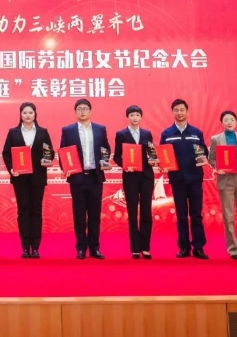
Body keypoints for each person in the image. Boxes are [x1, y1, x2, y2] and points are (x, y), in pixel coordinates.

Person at [60, 98, 111, 260]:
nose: (82, 111)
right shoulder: (68, 130)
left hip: (95, 177)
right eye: (79, 109)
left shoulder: (100, 129)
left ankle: (95, 248)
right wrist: (65, 169)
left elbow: (106, 149)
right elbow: (63, 152)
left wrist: (105, 161)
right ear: (75, 112)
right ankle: (81, 248)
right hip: (77, 177)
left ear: (90, 111)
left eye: (85, 108)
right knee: (79, 215)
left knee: (95, 215)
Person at [2, 102, 54, 259]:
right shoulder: (13, 133)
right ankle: (25, 246)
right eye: (25, 112)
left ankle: (35, 247)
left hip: (38, 177)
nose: (28, 115)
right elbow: (6, 153)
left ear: (35, 114)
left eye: (30, 112)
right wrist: (11, 169)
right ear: (20, 114)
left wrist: (47, 160)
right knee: (23, 210)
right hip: (20, 178)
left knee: (36, 211)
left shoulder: (43, 132)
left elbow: (50, 152)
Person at [159, 99, 209, 260]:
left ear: (187, 111)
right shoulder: (167, 134)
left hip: (195, 178)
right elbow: (162, 155)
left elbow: (204, 153)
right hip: (177, 179)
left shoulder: (196, 132)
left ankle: (199, 248)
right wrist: (162, 164)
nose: (179, 113)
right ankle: (184, 247)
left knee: (196, 215)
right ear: (172, 112)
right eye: (176, 110)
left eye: (182, 110)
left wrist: (203, 158)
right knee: (181, 215)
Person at [208, 111, 237, 260]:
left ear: (236, 122)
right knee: (228, 216)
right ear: (221, 123)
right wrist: (217, 167)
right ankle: (233, 248)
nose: (229, 122)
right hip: (225, 179)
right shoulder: (216, 139)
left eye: (232, 119)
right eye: (226, 120)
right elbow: (211, 158)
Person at [112, 105, 156, 259]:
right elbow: (116, 156)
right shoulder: (121, 134)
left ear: (141, 117)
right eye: (132, 115)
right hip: (130, 177)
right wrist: (125, 165)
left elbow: (151, 153)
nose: (135, 118)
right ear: (127, 117)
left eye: (137, 115)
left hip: (146, 176)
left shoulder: (147, 133)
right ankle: (135, 248)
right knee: (132, 212)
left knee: (146, 211)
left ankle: (145, 247)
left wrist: (154, 160)